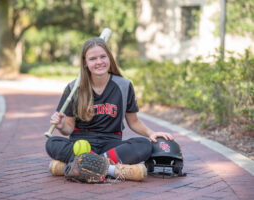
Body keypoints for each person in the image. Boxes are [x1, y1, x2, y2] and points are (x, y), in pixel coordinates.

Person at [45, 37, 174, 181]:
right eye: (93, 59)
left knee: (144, 145)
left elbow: (134, 121)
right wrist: (61, 125)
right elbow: (68, 129)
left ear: (110, 58)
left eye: (103, 57)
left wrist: (151, 133)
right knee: (52, 143)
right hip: (83, 143)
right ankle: (111, 169)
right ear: (85, 63)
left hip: (111, 143)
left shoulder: (124, 85)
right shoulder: (74, 87)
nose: (99, 62)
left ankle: (82, 166)